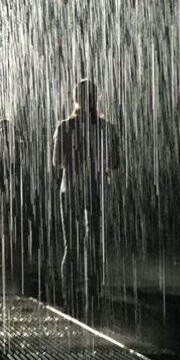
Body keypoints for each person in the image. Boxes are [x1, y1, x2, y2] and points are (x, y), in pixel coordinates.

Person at [52, 79, 120, 323]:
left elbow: (57, 161)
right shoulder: (107, 128)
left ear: (75, 99)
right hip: (96, 187)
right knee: (95, 241)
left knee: (72, 244)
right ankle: (94, 292)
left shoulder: (64, 127)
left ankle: (69, 295)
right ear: (96, 98)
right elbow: (114, 162)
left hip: (70, 188)